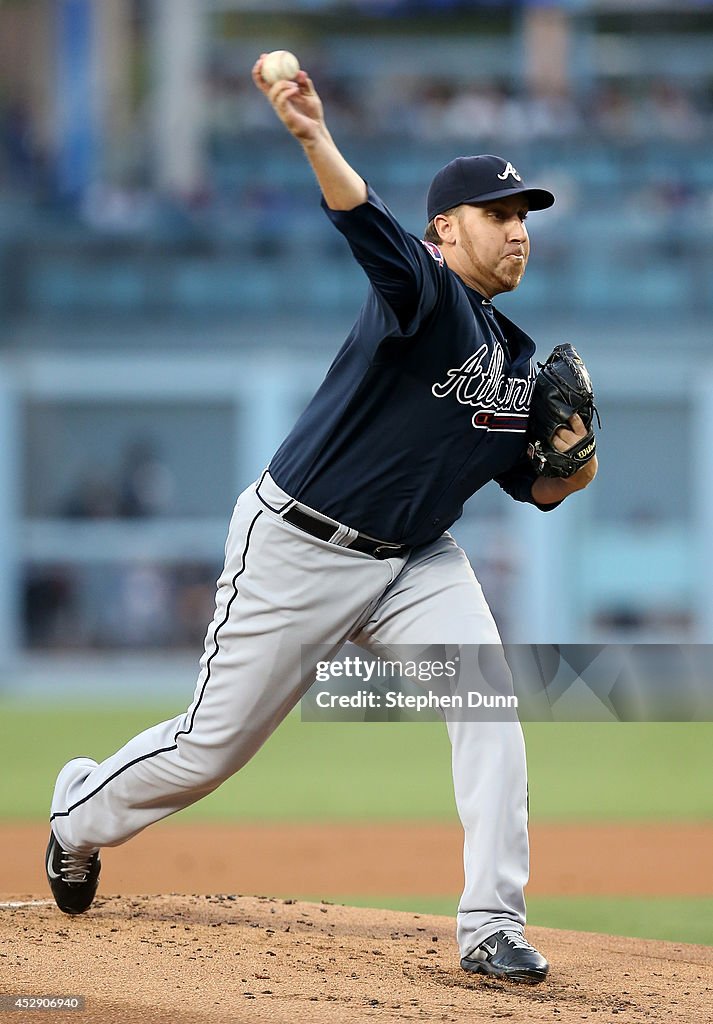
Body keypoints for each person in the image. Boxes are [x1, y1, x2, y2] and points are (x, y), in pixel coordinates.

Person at [45, 57, 597, 985]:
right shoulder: (422, 293)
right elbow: (363, 222)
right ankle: (75, 818)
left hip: (416, 560)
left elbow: (537, 489)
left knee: (488, 704)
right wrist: (310, 134)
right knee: (208, 751)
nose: (516, 231)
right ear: (444, 229)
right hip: (299, 544)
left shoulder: (513, 360)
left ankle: (490, 923)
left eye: (524, 217)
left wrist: (572, 466)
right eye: (498, 214)